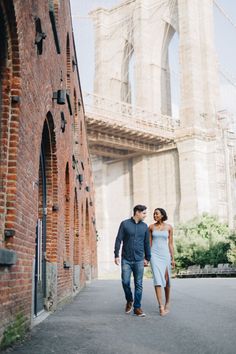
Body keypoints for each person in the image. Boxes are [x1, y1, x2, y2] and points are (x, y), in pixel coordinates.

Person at [114, 205, 151, 317]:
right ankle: (129, 300)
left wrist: (147, 258)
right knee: (125, 282)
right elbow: (118, 239)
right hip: (126, 259)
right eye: (144, 213)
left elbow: (146, 243)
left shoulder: (145, 227)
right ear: (137, 212)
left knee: (138, 284)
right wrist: (116, 255)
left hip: (139, 259)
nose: (145, 215)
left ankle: (137, 308)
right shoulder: (125, 224)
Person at [149, 208, 175, 316]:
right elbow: (149, 244)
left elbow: (170, 244)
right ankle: (161, 306)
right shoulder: (150, 227)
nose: (155, 215)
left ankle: (167, 301)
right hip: (154, 255)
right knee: (157, 279)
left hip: (165, 255)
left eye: (157, 214)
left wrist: (173, 258)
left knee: (166, 280)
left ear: (162, 215)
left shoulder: (169, 227)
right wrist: (146, 257)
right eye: (154, 214)